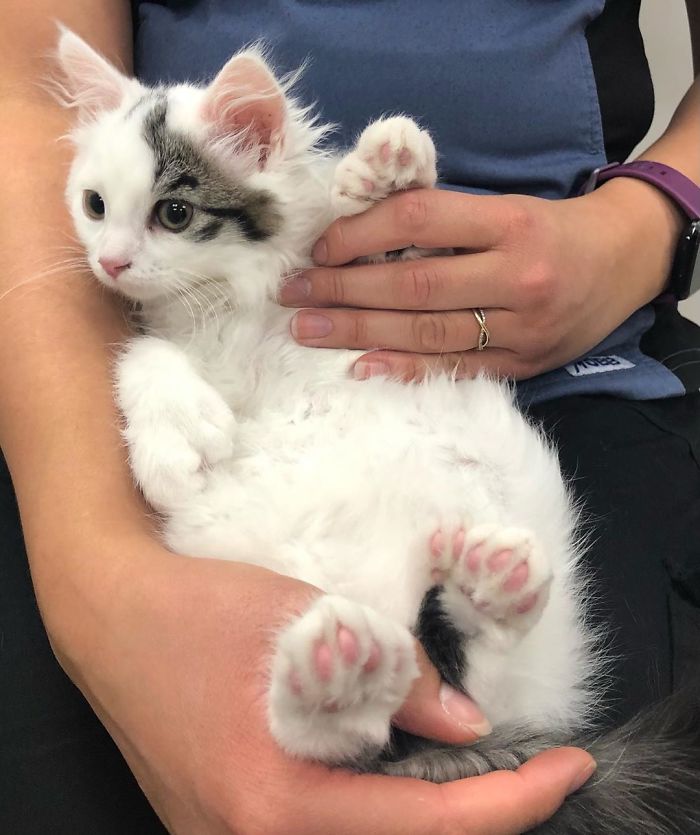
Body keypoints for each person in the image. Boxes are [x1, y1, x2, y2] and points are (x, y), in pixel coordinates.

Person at [1, 2, 697, 834]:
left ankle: (411, 665)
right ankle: (386, 675)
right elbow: (22, 87)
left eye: (169, 216)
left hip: (565, 374)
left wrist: (650, 216)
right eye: (94, 208)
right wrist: (98, 570)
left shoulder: (272, 222)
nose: (110, 257)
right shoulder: (171, 303)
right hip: (297, 462)